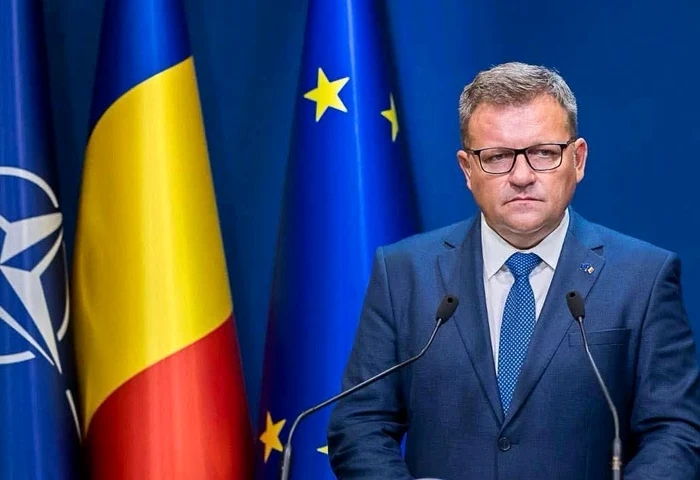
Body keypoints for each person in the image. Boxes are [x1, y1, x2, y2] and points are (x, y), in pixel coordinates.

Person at [327, 62, 700, 479]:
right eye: (498, 157)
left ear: (577, 160)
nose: (522, 176)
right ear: (467, 170)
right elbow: (359, 426)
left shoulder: (643, 277)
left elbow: (675, 432)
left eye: (543, 153)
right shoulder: (404, 272)